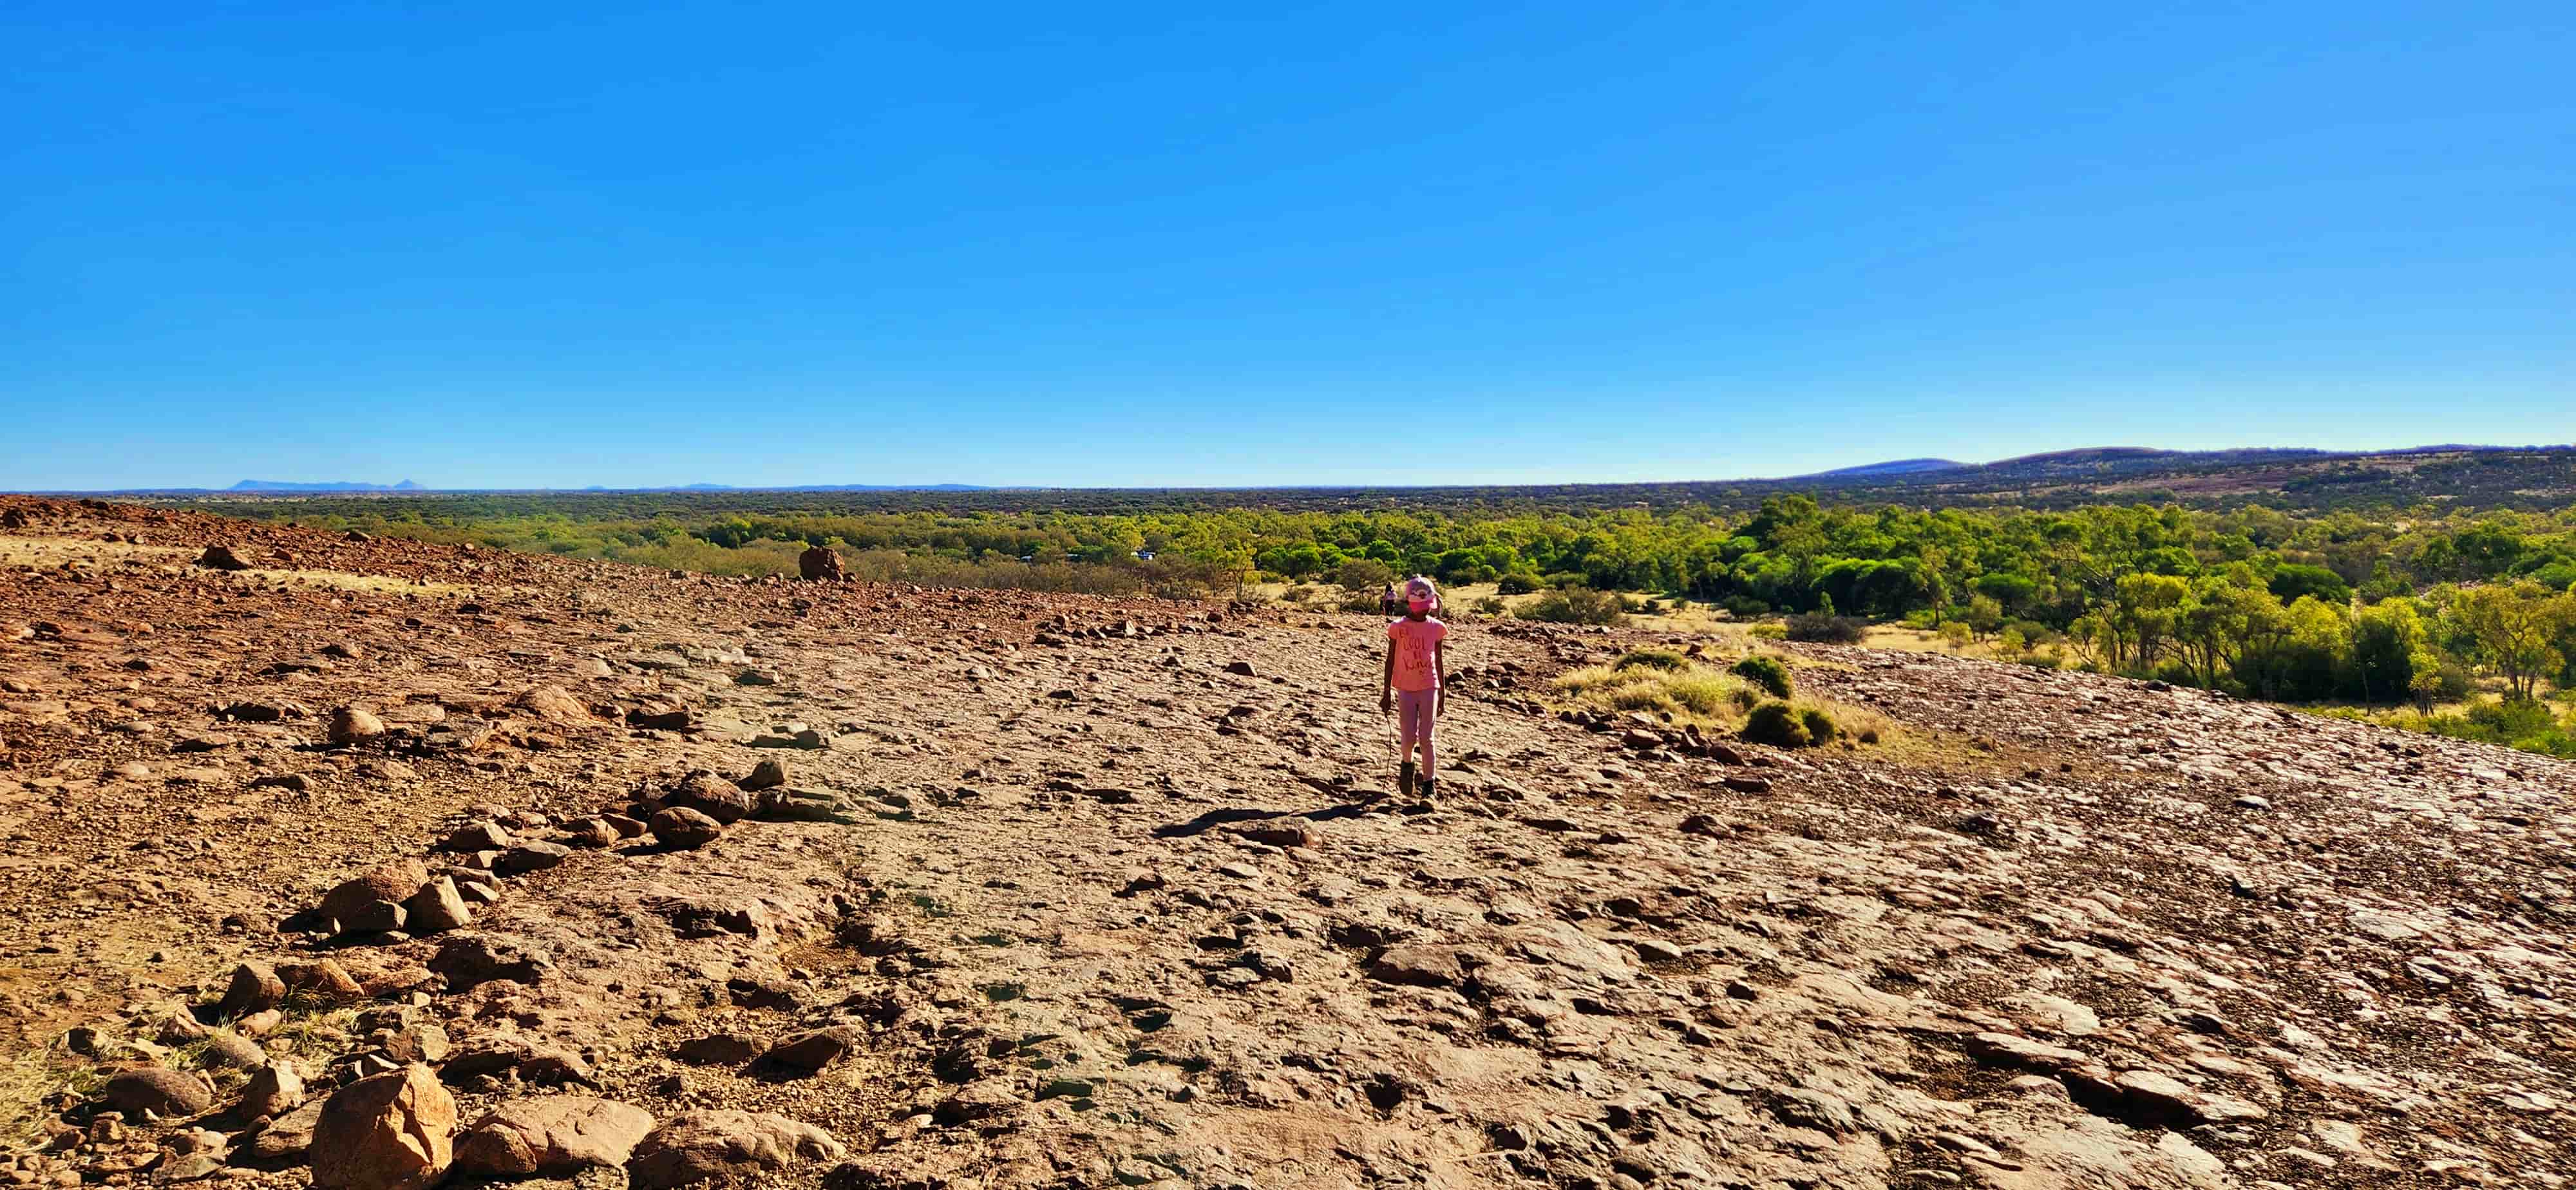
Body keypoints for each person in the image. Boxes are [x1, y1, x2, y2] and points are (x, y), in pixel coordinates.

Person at [1379, 575, 1447, 800]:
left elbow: (1439, 660)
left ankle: (1430, 786)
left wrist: (1443, 693)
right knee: (1408, 737)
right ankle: (1407, 764)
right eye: (1420, 607)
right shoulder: (1398, 627)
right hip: (1406, 688)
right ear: (1409, 603)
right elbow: (1390, 660)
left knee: (1427, 737)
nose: (1424, 611)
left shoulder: (1436, 628)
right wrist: (1386, 692)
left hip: (1430, 686)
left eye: (1428, 607)